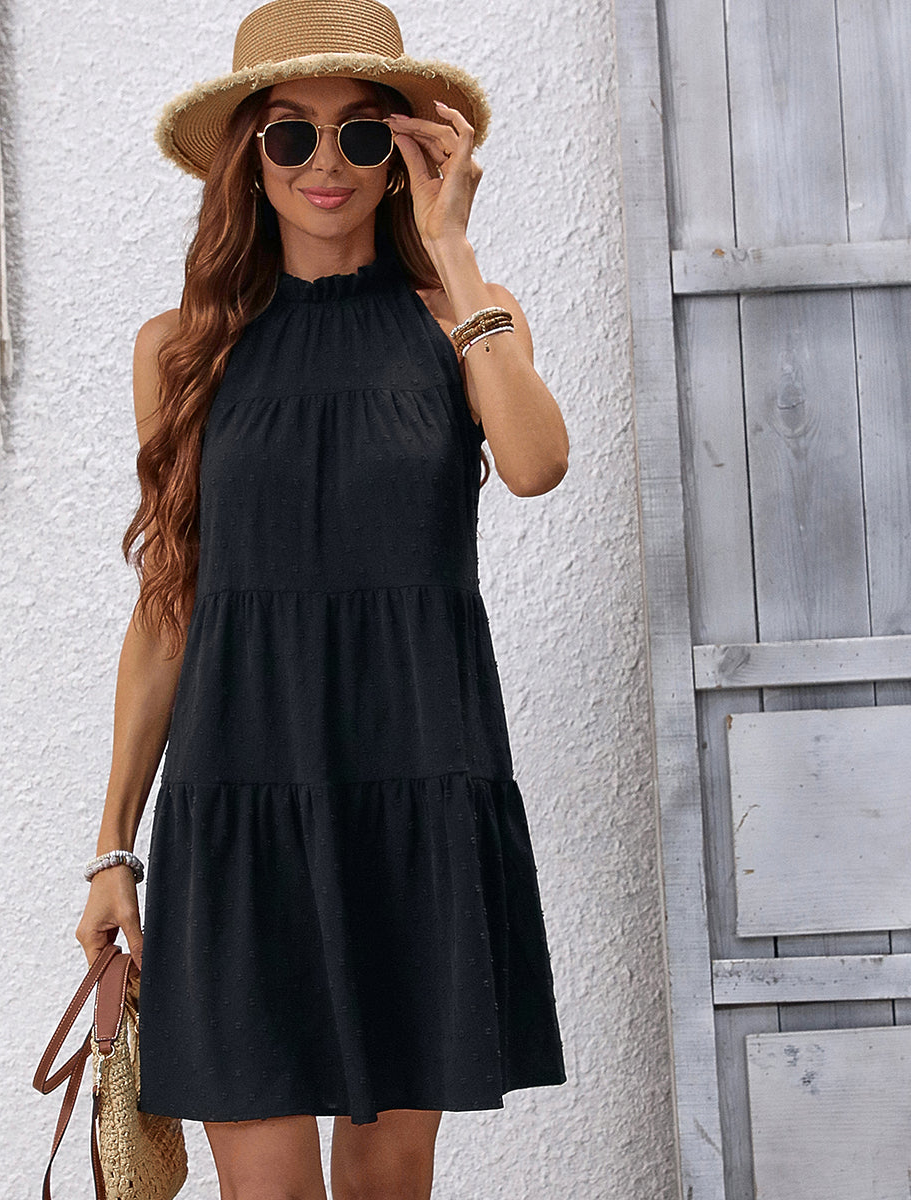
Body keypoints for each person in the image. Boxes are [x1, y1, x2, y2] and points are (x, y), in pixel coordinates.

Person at [75, 1, 569, 1196]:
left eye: (363, 134)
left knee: (389, 1178)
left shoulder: (466, 317)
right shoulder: (182, 350)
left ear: (408, 152)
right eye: (291, 134)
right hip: (239, 800)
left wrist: (453, 250)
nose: (326, 165)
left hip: (414, 787)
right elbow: (168, 607)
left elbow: (537, 463)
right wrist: (112, 848)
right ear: (249, 157)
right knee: (269, 1189)